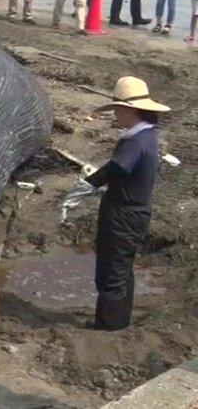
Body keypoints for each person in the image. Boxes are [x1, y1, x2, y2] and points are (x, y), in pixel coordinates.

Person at [76, 76, 169, 330]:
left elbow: (116, 168)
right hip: (132, 212)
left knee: (112, 271)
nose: (115, 114)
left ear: (130, 109)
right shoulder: (145, 136)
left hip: (123, 215)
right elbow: (122, 172)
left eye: (117, 109)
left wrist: (88, 183)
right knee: (122, 268)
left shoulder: (136, 141)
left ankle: (108, 324)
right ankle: (118, 319)